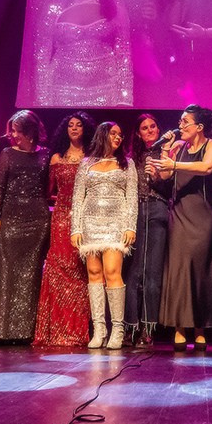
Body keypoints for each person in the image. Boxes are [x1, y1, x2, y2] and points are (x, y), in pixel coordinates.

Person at [151, 104, 212, 350]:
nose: (180, 126)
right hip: (180, 213)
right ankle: (180, 327)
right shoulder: (179, 147)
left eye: (185, 122)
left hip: (203, 216)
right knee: (179, 270)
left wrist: (174, 165)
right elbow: (164, 177)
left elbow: (207, 167)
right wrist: (165, 151)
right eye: (180, 121)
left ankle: (201, 327)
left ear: (199, 127)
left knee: (202, 271)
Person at [71, 122, 139, 350]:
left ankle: (117, 329)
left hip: (116, 222)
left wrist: (130, 226)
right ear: (103, 135)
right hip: (90, 223)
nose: (118, 138)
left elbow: (131, 197)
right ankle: (99, 329)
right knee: (94, 273)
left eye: (121, 134)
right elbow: (78, 197)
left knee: (112, 272)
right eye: (114, 134)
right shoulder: (86, 163)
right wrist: (76, 228)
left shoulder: (126, 164)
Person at [34, 111, 95, 347]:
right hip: (60, 217)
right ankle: (56, 329)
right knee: (58, 267)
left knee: (80, 270)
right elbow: (47, 191)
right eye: (70, 125)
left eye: (79, 125)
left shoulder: (92, 157)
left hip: (85, 217)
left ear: (85, 129)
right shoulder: (56, 158)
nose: (74, 128)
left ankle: (78, 330)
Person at [0, 110, 51, 344]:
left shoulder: (45, 155)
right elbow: (0, 187)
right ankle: (4, 331)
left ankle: (27, 332)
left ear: (29, 131)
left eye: (16, 130)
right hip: (11, 218)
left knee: (31, 275)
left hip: (37, 219)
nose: (12, 135)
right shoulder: (6, 154)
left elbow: (46, 187)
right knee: (8, 273)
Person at [123, 114, 173, 347]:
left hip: (157, 208)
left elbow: (171, 188)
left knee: (152, 273)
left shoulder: (168, 152)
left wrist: (158, 178)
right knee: (133, 273)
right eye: (145, 128)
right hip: (134, 213)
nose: (151, 130)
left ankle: (148, 329)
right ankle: (130, 328)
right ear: (139, 133)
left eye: (153, 126)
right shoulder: (131, 158)